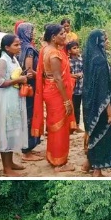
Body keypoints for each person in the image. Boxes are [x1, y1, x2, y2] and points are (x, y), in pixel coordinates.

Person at [31, 24, 77, 172]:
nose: (65, 36)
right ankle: (60, 163)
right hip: (56, 92)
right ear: (53, 37)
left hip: (49, 90)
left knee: (53, 125)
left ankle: (52, 157)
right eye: (62, 34)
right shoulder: (54, 54)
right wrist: (66, 100)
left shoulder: (46, 49)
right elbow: (58, 78)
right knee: (60, 128)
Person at [0, 34, 29, 176]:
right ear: (7, 47)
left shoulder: (13, 59)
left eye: (19, 44)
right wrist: (18, 80)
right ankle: (6, 168)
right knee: (5, 131)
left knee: (13, 131)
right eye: (16, 45)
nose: (19, 47)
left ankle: (11, 162)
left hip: (14, 98)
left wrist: (24, 77)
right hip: (5, 99)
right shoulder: (3, 61)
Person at [81, 29, 111, 177]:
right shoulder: (100, 61)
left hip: (90, 103)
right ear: (98, 42)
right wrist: (110, 113)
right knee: (101, 134)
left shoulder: (90, 57)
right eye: (105, 39)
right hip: (101, 106)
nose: (108, 42)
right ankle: (97, 170)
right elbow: (102, 91)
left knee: (92, 131)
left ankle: (88, 163)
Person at [16, 22, 44, 162]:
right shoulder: (29, 49)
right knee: (30, 115)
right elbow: (29, 71)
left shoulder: (18, 47)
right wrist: (41, 74)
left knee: (25, 115)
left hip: (21, 86)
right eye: (31, 31)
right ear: (26, 32)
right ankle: (26, 150)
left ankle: (28, 147)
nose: (33, 33)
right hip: (31, 87)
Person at [67, 41, 84, 132]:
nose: (77, 49)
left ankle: (77, 125)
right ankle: (70, 125)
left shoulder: (81, 59)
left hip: (80, 87)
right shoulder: (67, 61)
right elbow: (65, 73)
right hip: (71, 88)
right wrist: (72, 76)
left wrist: (81, 74)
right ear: (69, 51)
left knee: (77, 107)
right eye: (74, 48)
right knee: (71, 106)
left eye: (77, 47)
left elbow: (84, 70)